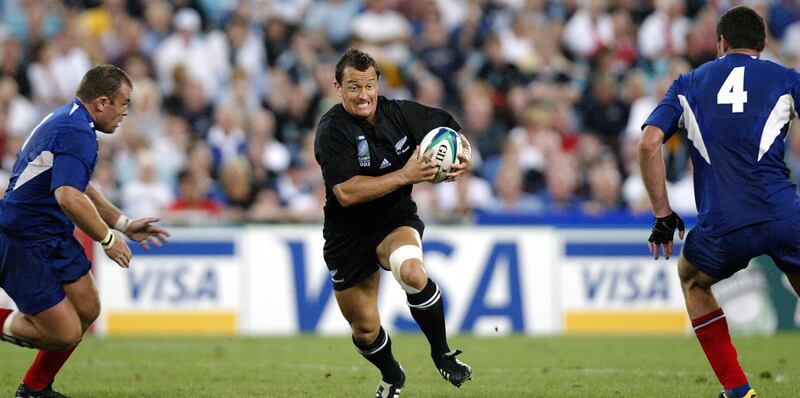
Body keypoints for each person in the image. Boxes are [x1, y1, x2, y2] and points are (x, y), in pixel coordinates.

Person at [639, 6, 800, 398]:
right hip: (782, 212)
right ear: (762, 45)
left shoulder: (688, 83)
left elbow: (647, 143)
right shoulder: (786, 79)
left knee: (693, 280)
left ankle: (737, 390)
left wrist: (662, 215)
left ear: (720, 43)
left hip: (724, 223)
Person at [0, 64, 169, 398]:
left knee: (88, 309)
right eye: (124, 103)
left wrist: (121, 222)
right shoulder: (76, 130)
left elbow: (78, 185)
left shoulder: (71, 119)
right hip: (22, 240)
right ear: (102, 102)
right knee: (61, 333)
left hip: (50, 235)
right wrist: (107, 239)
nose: (125, 112)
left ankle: (35, 389)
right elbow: (67, 195)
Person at [314, 48, 473, 397]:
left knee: (412, 272)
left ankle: (443, 354)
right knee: (365, 328)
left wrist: (460, 157)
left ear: (378, 84)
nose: (363, 95)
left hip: (394, 220)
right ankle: (392, 374)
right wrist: (405, 175)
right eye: (354, 87)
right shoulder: (331, 130)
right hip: (348, 235)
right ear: (337, 88)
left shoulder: (400, 113)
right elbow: (346, 193)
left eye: (369, 85)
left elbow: (450, 129)